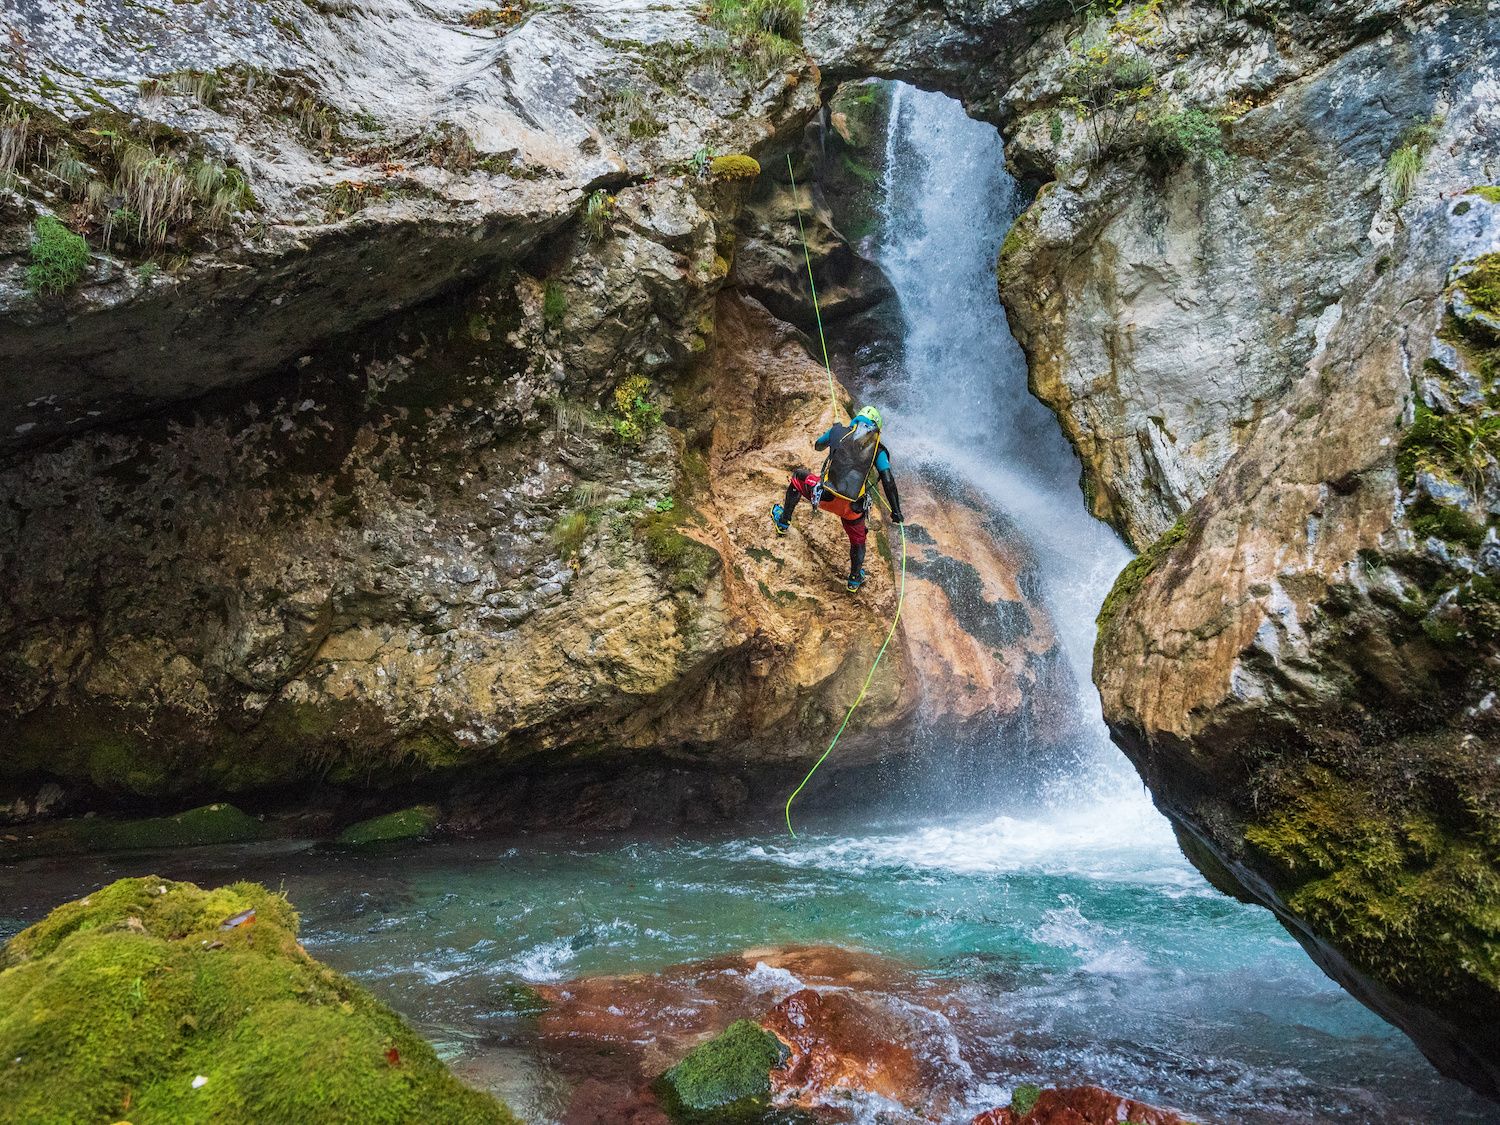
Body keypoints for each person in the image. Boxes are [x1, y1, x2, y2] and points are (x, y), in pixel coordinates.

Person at [770, 405, 903, 592]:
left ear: (857, 420)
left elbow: (818, 446)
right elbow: (888, 480)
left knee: (798, 478)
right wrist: (896, 511)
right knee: (858, 540)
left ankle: (783, 522)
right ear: (876, 429)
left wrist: (833, 435)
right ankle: (855, 579)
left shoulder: (838, 431)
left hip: (825, 496)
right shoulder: (878, 450)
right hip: (851, 509)